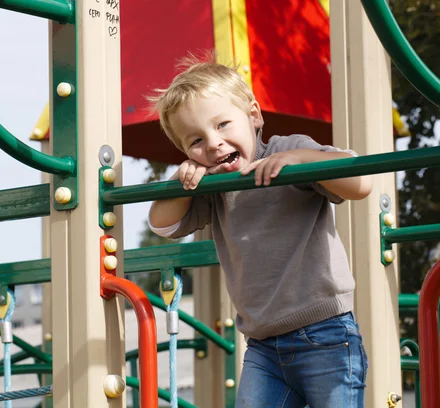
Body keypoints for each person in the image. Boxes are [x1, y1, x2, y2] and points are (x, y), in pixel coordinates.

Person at [147, 55, 373, 407]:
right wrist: (181, 178)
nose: (213, 143)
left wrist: (302, 160)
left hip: (325, 332)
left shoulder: (286, 151)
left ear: (253, 115)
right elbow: (163, 224)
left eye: (223, 124)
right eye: (195, 141)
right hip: (263, 347)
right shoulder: (215, 184)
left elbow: (360, 183)